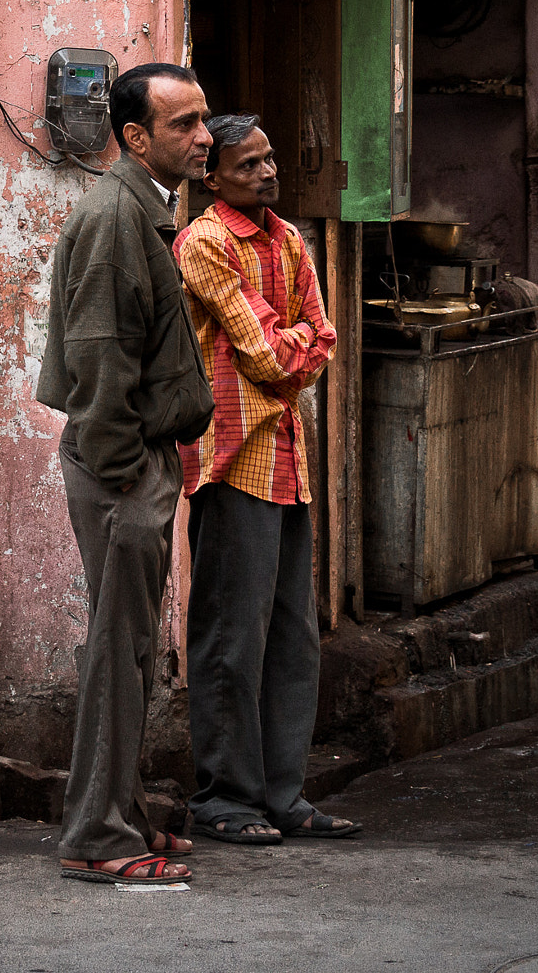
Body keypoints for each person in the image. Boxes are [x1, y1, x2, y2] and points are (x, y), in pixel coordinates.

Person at [37, 62, 216, 885]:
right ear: (137, 137)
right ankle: (98, 838)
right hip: (120, 468)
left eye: (203, 120)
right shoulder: (114, 218)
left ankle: (123, 814)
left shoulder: (145, 211)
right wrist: (123, 486)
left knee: (133, 650)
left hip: (137, 462)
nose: (204, 137)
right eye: (184, 124)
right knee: (118, 654)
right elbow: (101, 364)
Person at [174, 113, 359, 846]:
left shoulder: (289, 240)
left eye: (269, 159)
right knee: (231, 636)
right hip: (231, 459)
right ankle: (225, 797)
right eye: (247, 165)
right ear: (212, 178)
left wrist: (298, 347)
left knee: (292, 637)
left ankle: (283, 793)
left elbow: (323, 337)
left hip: (286, 457)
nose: (266, 173)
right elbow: (273, 354)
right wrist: (298, 348)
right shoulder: (206, 242)